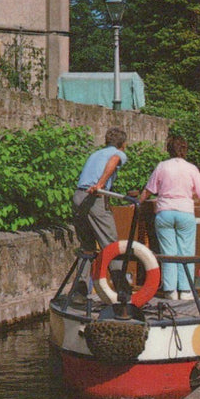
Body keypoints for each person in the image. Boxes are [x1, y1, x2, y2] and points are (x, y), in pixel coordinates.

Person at [137, 135, 200, 301]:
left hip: (164, 213)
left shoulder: (162, 167)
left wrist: (138, 203)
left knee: (168, 252)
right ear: (185, 150)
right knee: (185, 252)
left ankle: (170, 291)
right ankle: (185, 290)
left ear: (169, 150)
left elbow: (148, 190)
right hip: (185, 213)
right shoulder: (191, 168)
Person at [72, 127, 129, 300]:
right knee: (111, 244)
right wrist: (101, 184)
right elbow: (114, 160)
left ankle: (79, 292)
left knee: (87, 247)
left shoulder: (95, 154)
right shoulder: (118, 153)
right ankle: (123, 292)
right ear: (122, 144)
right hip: (94, 198)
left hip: (78, 197)